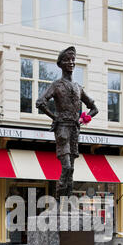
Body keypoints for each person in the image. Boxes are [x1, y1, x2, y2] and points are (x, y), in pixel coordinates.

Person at [36, 46, 98, 198]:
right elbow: (40, 102)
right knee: (67, 167)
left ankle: (67, 201)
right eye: (67, 60)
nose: (71, 62)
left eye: (73, 60)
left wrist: (83, 119)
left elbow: (94, 108)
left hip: (75, 130)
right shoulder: (56, 85)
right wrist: (55, 117)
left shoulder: (78, 88)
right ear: (61, 64)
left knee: (72, 169)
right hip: (62, 128)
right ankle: (59, 198)